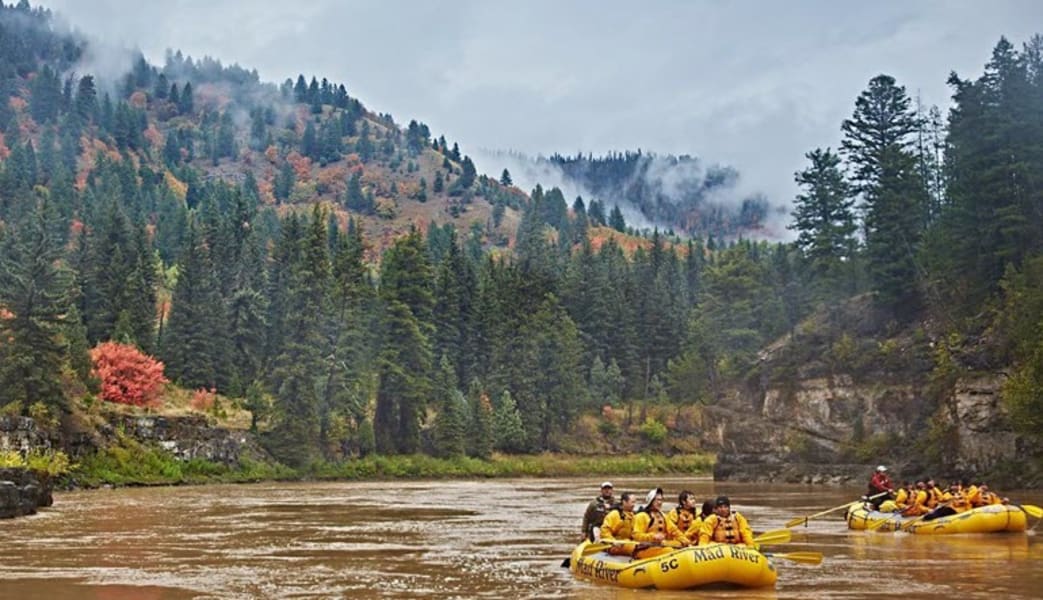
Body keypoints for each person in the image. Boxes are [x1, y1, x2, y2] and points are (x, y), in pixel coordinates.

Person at [633, 488, 690, 555]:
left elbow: (674, 531)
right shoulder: (642, 516)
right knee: (669, 550)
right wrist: (653, 536)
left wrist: (685, 541)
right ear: (651, 501)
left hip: (660, 546)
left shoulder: (663, 516)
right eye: (657, 500)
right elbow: (636, 536)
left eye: (661, 500)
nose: (660, 502)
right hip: (645, 549)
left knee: (679, 545)